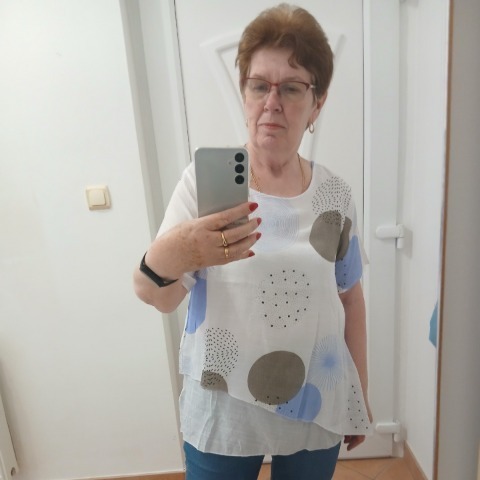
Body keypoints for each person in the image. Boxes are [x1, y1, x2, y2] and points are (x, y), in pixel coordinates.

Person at [134, 4, 372, 479]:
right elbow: (158, 295)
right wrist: (187, 249)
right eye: (259, 85)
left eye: (292, 87)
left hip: (315, 398)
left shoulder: (336, 195)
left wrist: (359, 392)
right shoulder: (205, 186)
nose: (272, 102)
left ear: (317, 103)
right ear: (244, 93)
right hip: (222, 406)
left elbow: (351, 296)